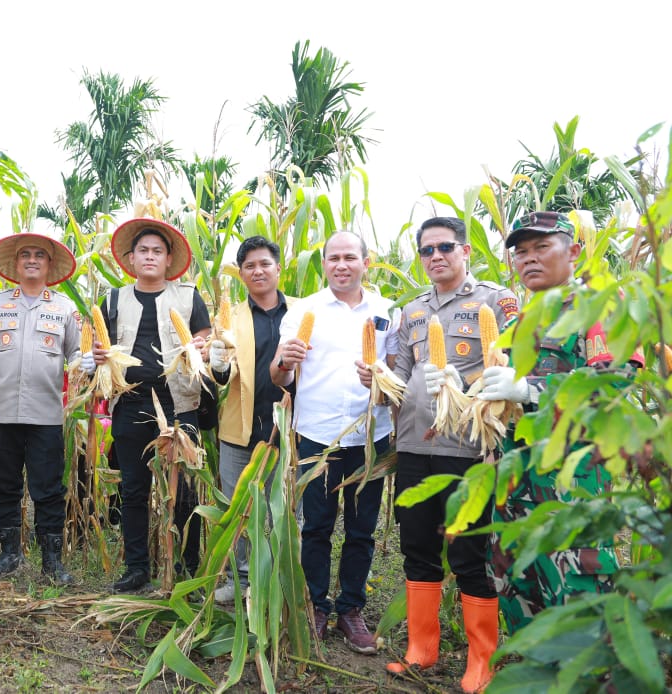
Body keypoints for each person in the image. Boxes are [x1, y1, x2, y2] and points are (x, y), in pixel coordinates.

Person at [380, 216, 520, 692]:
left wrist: (472, 386)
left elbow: (515, 363)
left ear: (465, 251)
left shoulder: (495, 301)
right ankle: (422, 649)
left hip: (470, 447)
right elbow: (399, 374)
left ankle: (482, 660)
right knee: (417, 547)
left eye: (444, 247)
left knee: (469, 552)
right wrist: (376, 380)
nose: (435, 256)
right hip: (415, 444)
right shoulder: (413, 311)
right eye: (426, 250)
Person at [480, 211, 635, 633]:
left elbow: (615, 382)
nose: (528, 258)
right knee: (521, 600)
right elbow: (497, 398)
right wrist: (457, 391)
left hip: (570, 492)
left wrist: (532, 391)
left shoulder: (598, 307)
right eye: (521, 252)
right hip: (514, 492)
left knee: (579, 609)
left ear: (575, 253)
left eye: (541, 247)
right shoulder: (515, 324)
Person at [271, 231, 400, 654]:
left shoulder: (387, 311)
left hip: (371, 436)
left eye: (350, 257)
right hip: (317, 436)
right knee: (318, 527)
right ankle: (316, 605)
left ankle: (351, 608)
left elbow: (398, 373)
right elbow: (279, 376)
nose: (341, 265)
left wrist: (381, 383)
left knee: (361, 529)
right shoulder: (304, 310)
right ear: (323, 263)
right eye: (333, 258)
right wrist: (285, 363)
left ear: (367, 261)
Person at [91, 218, 210, 593]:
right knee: (133, 488)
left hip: (179, 400)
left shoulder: (189, 297)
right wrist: (96, 354)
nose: (150, 256)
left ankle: (186, 565)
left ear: (168, 258)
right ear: (131, 257)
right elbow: (102, 346)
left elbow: (205, 335)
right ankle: (137, 567)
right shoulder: (113, 299)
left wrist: (203, 345)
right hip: (131, 400)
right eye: (143, 250)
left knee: (185, 488)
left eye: (157, 251)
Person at [0, 232, 81, 583]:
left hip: (46, 413)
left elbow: (74, 352)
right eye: (25, 254)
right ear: (16, 263)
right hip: (2, 411)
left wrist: (83, 361)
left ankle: (52, 561)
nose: (32, 260)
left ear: (49, 264)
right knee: (4, 484)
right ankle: (9, 554)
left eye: (40, 255)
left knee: (48, 487)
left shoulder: (64, 308)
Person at [207, 236, 292, 605]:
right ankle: (240, 579)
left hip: (292, 428)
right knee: (237, 506)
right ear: (241, 273)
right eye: (249, 266)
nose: (257, 271)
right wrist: (218, 365)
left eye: (264, 264)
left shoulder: (303, 313)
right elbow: (220, 379)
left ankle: (278, 576)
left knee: (286, 506)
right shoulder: (230, 318)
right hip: (242, 426)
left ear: (278, 268)